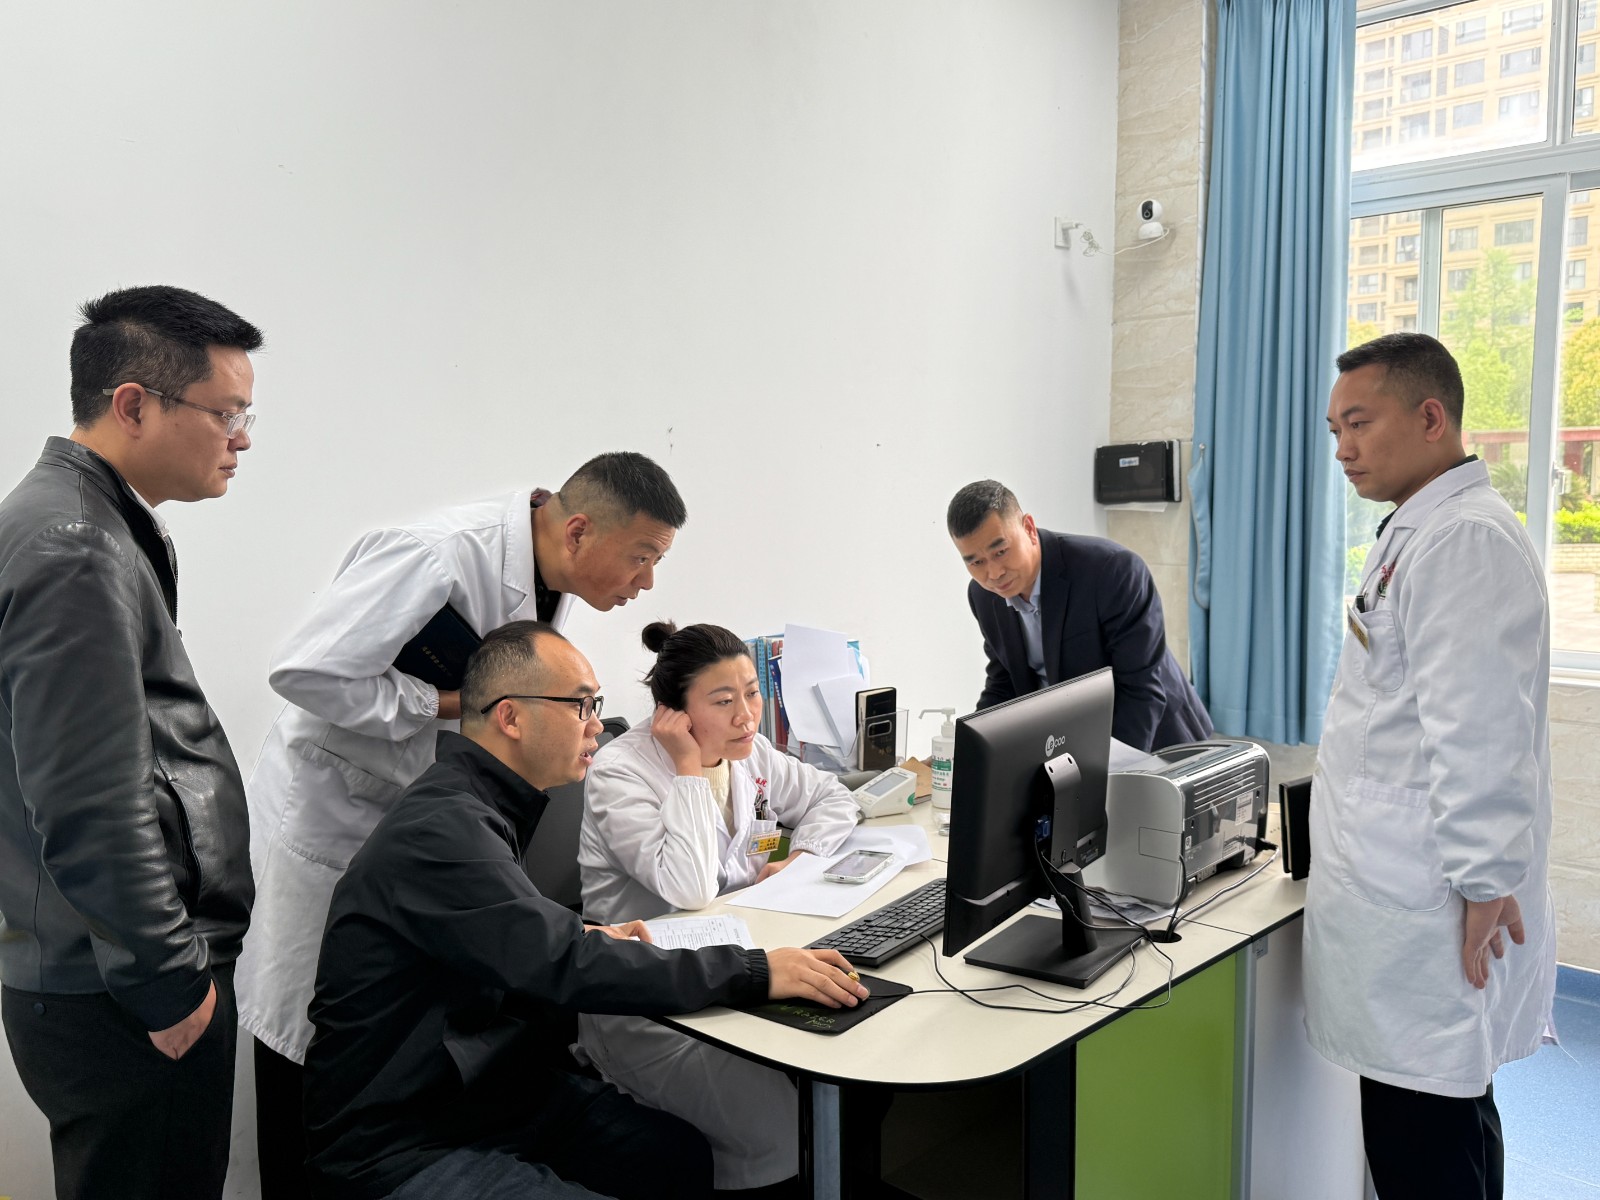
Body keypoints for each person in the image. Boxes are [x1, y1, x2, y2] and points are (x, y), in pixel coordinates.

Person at [237, 452, 686, 1198]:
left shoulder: (544, 578)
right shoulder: (438, 554)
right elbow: (304, 669)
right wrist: (448, 701)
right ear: (578, 530)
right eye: (641, 557)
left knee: (419, 1028)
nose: (645, 584)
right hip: (334, 817)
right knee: (310, 1041)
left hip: (428, 817)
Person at [304, 620, 867, 1200]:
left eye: (595, 705)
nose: (597, 723)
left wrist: (589, 933)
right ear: (511, 717)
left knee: (677, 1155)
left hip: (493, 1097)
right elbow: (562, 960)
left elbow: (513, 936)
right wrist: (755, 971)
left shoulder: (480, 806)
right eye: (580, 706)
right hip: (406, 1139)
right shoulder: (441, 827)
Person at [0, 285, 263, 1200]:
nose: (241, 438)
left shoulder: (85, 523)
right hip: (125, 987)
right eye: (226, 412)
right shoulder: (75, 545)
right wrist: (166, 982)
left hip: (109, 969)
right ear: (133, 404)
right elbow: (89, 800)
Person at [1308, 332, 1555, 1200]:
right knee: (1443, 1121)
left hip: (1426, 903)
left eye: (1359, 423)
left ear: (1430, 417)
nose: (1344, 448)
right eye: (1335, 430)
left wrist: (1485, 882)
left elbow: (1480, 730)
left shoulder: (1463, 542)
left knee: (1427, 1141)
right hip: (1400, 889)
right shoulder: (1420, 530)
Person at [577, 621, 861, 1192]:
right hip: (652, 1002)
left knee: (849, 1058)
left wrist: (801, 856)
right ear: (674, 713)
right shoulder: (620, 772)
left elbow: (832, 797)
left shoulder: (749, 755)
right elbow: (689, 889)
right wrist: (687, 767)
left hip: (742, 964)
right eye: (724, 701)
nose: (747, 716)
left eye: (752, 693)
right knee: (777, 1132)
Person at [946, 480, 1212, 751]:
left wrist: (1112, 769)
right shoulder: (983, 596)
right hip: (1075, 741)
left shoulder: (1112, 570)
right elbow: (1005, 684)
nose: (994, 573)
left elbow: (1140, 690)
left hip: (1160, 739)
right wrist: (969, 750)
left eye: (1001, 552)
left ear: (1029, 529)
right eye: (976, 562)